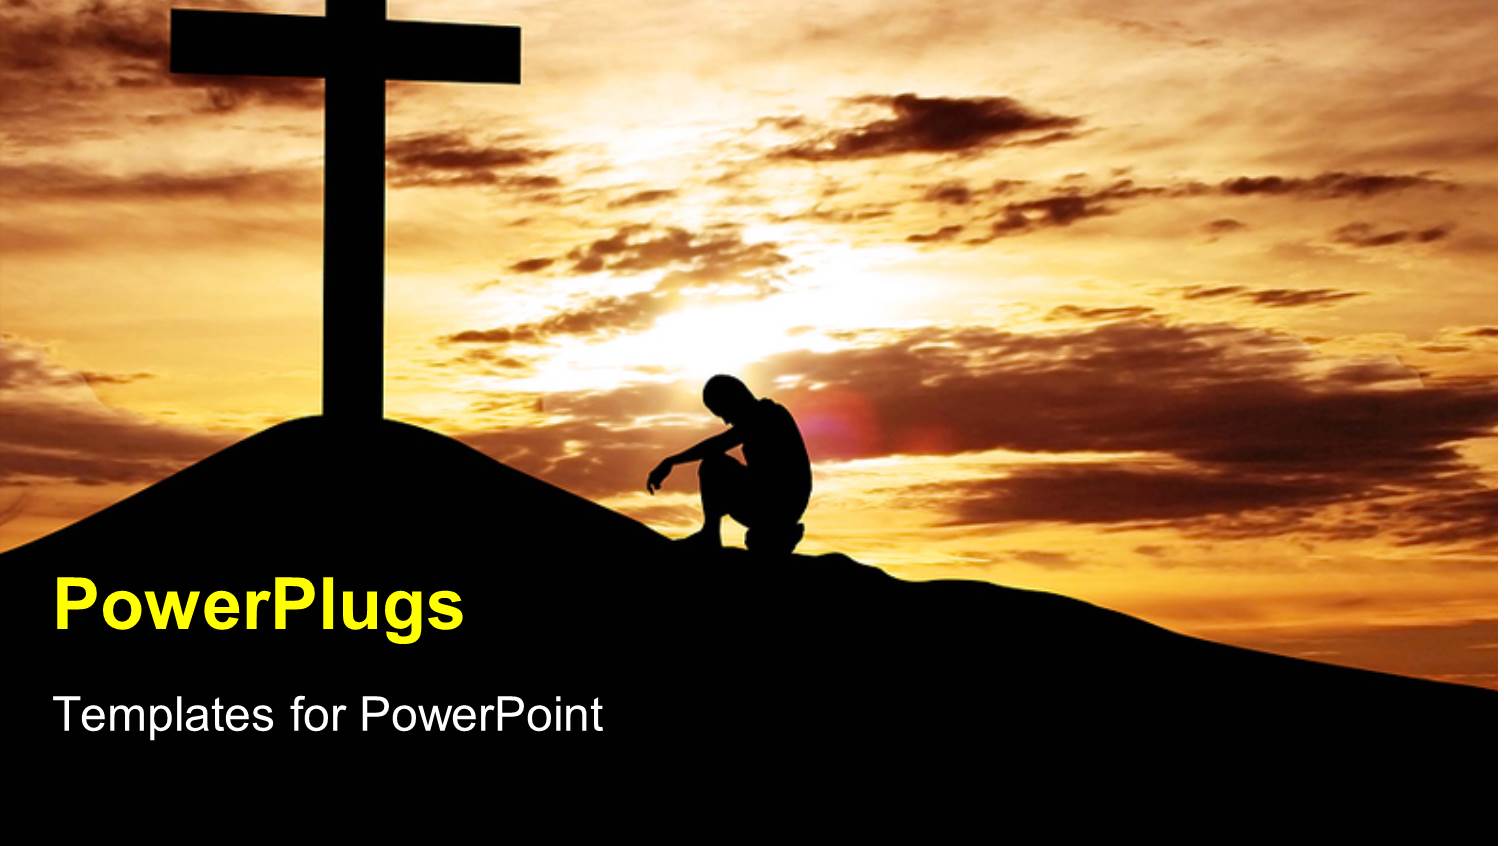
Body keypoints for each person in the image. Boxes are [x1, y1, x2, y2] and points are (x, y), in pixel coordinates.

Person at [646, 375, 812, 554]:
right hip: (778, 503)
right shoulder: (767, 414)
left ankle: (710, 535)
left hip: (777, 504)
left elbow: (717, 444)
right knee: (718, 465)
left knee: (713, 465)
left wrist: (671, 461)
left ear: (733, 400)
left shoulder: (766, 414)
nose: (725, 421)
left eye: (722, 412)